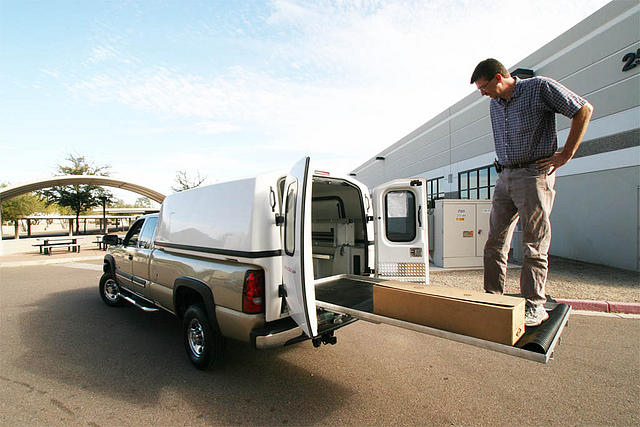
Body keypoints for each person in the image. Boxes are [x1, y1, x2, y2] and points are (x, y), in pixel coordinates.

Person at [470, 58, 593, 327]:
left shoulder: (539, 88)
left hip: (533, 176)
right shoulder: (495, 104)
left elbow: (583, 109)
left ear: (499, 78)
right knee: (494, 243)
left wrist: (567, 154)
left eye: (483, 87)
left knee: (533, 245)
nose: (482, 93)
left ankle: (535, 305)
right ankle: (493, 298)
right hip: (504, 177)